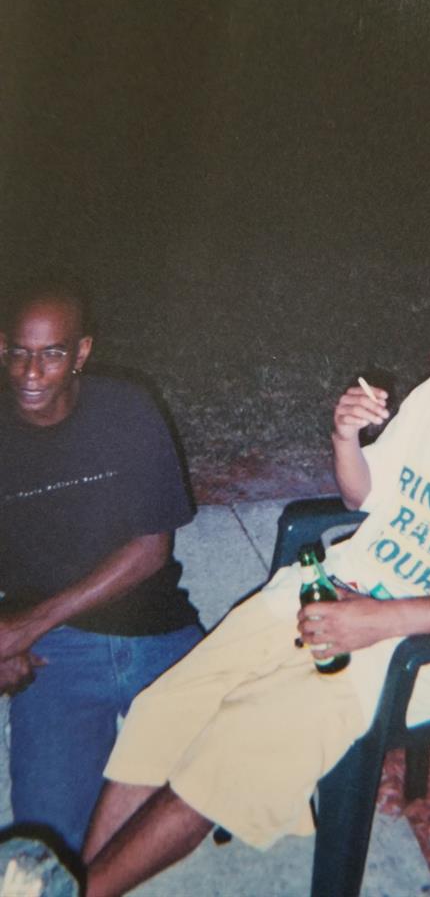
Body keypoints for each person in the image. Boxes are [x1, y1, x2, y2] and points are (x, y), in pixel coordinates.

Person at [83, 274, 430, 897]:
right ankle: (69, 880)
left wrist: (383, 619)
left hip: (417, 648)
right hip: (329, 593)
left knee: (234, 751)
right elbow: (362, 498)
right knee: (166, 708)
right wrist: (345, 437)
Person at [0, 275, 204, 855]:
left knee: (221, 783)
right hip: (55, 657)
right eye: (19, 352)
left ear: (81, 352)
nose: (31, 373)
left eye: (52, 353)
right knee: (46, 841)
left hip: (157, 631)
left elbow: (151, 549)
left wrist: (23, 627)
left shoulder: (125, 408)